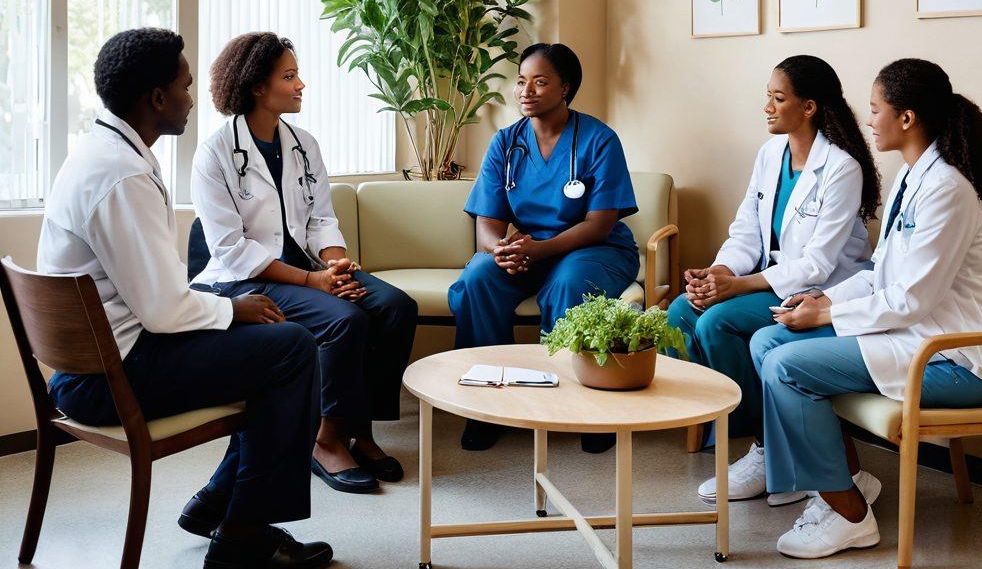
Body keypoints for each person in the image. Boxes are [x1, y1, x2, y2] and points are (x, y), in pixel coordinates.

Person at [37, 29, 331, 569]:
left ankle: (219, 504)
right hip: (109, 379)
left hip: (93, 364)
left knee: (270, 346)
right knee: (292, 350)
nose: (192, 99)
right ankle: (242, 537)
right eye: (185, 86)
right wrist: (233, 308)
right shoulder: (122, 175)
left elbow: (154, 297)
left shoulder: (102, 153)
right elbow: (163, 311)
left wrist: (230, 314)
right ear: (156, 98)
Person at [750, 58, 982, 559]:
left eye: (876, 109)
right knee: (769, 339)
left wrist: (825, 316)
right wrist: (825, 298)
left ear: (907, 118)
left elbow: (911, 298)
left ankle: (849, 514)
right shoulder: (912, 177)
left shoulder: (947, 190)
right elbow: (880, 272)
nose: (868, 119)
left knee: (786, 365)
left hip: (956, 361)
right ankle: (845, 479)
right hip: (916, 338)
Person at [190, 31, 418, 494]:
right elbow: (231, 248)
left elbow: (320, 218)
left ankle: (361, 430)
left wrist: (337, 267)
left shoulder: (303, 143)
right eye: (289, 76)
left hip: (309, 267)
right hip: (246, 278)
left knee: (397, 307)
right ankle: (326, 439)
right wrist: (315, 282)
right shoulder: (214, 153)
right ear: (257, 86)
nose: (301, 85)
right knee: (345, 321)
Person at [667, 55, 877, 506]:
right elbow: (746, 230)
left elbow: (818, 264)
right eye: (768, 96)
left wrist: (738, 287)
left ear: (809, 107)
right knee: (683, 310)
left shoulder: (842, 168)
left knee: (717, 322)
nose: (767, 107)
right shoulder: (770, 154)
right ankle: (767, 446)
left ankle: (765, 449)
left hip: (819, 292)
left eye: (778, 99)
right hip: (769, 279)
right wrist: (720, 272)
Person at [448, 42, 640, 452]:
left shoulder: (599, 139)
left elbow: (599, 223)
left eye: (540, 82)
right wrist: (499, 251)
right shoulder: (506, 143)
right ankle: (486, 406)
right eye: (521, 81)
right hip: (530, 249)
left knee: (568, 284)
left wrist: (539, 250)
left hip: (594, 248)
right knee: (478, 279)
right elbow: (487, 224)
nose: (526, 91)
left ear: (565, 88)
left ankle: (583, 406)